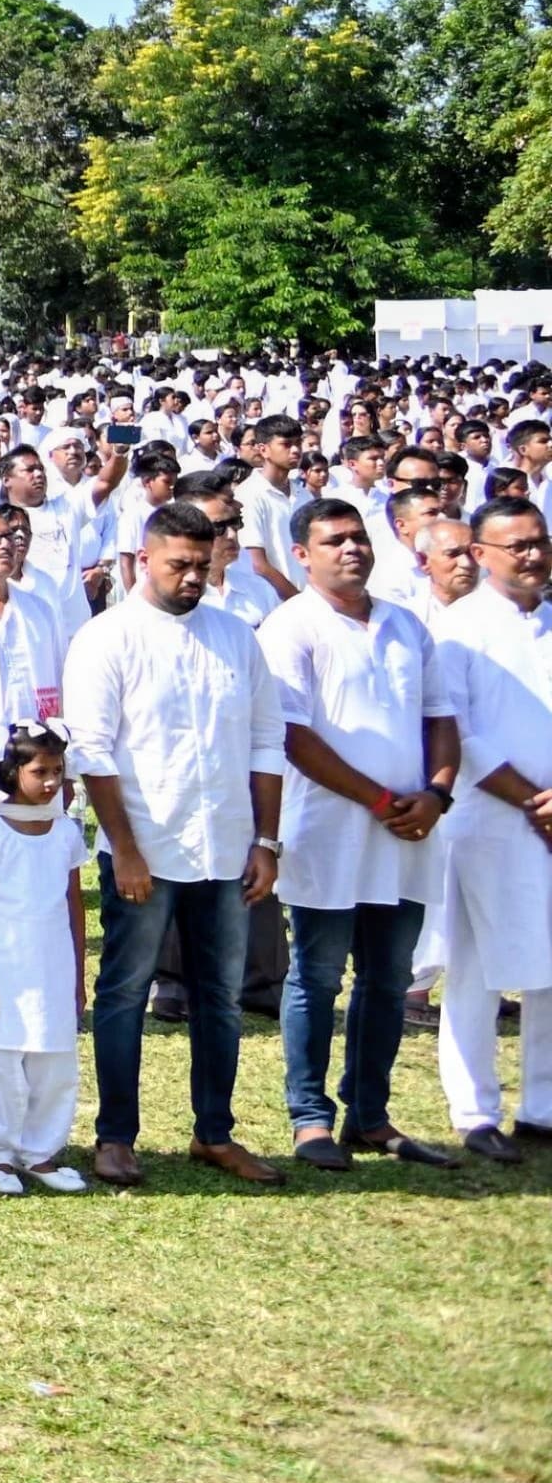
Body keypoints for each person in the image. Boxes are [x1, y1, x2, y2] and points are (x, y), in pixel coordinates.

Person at [65, 498, 286, 1188]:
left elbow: (265, 741)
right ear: (144, 559)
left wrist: (267, 841)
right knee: (124, 992)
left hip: (224, 846)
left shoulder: (235, 636)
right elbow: (93, 754)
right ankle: (115, 1136)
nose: (191, 577)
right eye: (177, 565)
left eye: (201, 563)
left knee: (219, 997)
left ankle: (214, 1132)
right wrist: (124, 850)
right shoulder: (109, 637)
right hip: (146, 849)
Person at [259, 495, 462, 1168]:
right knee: (316, 977)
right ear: (302, 555)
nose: (352, 549)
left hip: (408, 833)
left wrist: (436, 792)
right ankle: (310, 1117)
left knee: (388, 977)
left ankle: (370, 1115)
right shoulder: (289, 627)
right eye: (334, 540)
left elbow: (439, 716)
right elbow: (291, 735)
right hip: (330, 829)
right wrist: (379, 799)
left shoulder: (406, 625)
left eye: (358, 537)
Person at [431, 497, 552, 1159]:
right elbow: (459, 732)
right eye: (518, 546)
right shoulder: (459, 630)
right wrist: (534, 800)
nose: (533, 555)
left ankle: (544, 1105)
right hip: (489, 815)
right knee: (476, 969)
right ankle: (475, 1111)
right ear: (481, 555)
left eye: (540, 541)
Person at [0, 727, 91, 1194]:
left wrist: (79, 973)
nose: (51, 782)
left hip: (52, 963)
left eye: (57, 771)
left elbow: (74, 904)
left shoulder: (67, 831)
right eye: (39, 772)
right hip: (1, 965)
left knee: (53, 1058)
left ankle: (40, 1151)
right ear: (13, 773)